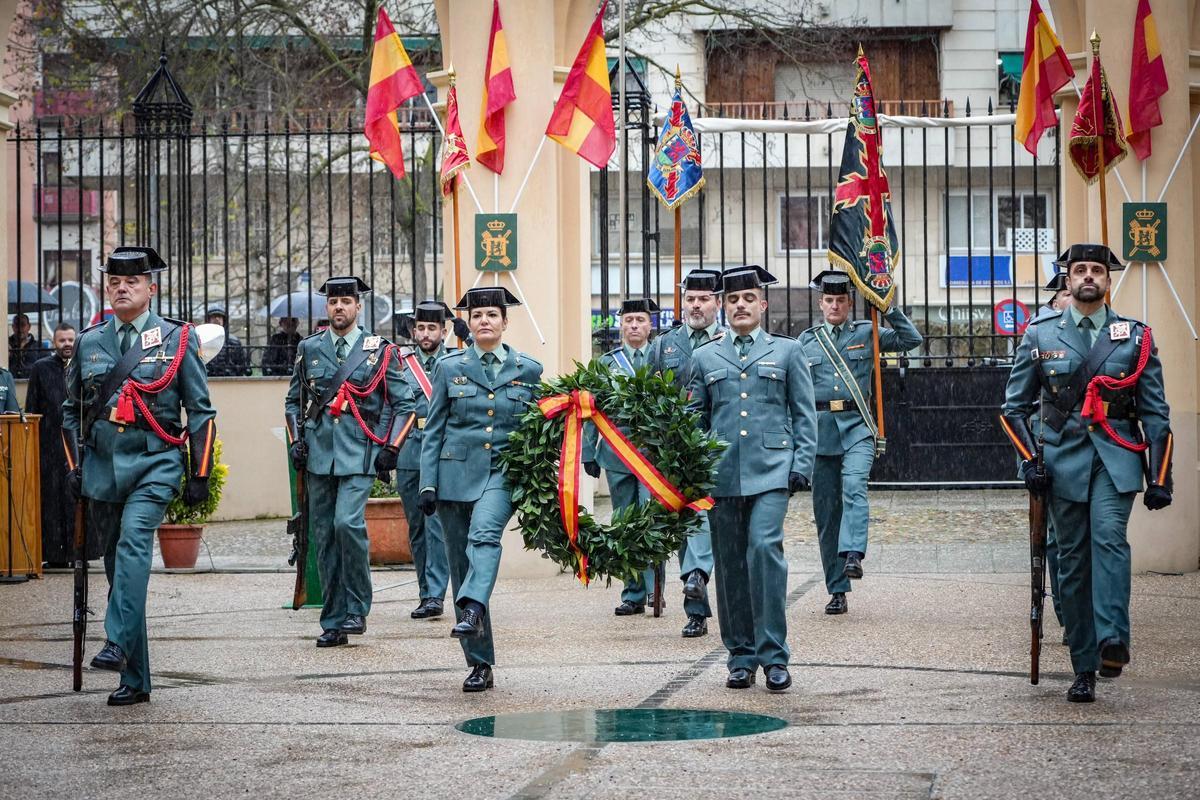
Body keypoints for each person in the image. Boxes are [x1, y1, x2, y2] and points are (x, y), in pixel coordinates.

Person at [1001, 243, 1173, 703]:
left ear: (1108, 280)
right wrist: (1030, 462)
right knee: (1072, 562)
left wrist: (1160, 477)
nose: (1089, 277)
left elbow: (1155, 414)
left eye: (1097, 270)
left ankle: (1112, 640)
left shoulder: (1134, 336)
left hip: (1116, 458)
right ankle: (1084, 664)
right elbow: (1013, 409)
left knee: (1110, 539)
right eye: (1080, 270)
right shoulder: (1040, 334)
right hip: (1060, 462)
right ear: (1068, 279)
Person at [62, 246, 217, 706]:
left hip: (155, 462)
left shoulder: (177, 339)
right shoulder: (90, 342)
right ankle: (135, 679)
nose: (122, 288)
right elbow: (72, 412)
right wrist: (75, 467)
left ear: (152, 288)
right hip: (105, 468)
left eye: (132, 282)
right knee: (117, 567)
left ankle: (114, 639)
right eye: (114, 282)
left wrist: (200, 472)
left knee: (133, 545)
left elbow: (201, 412)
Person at [688, 265, 817, 691]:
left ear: (763, 305)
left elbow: (803, 412)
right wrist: (693, 465)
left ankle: (774, 655)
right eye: (732, 300)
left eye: (748, 299)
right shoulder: (704, 356)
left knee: (764, 551)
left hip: (772, 471)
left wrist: (803, 463)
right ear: (724, 308)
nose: (740, 305)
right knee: (728, 565)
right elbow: (695, 418)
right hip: (721, 474)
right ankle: (740, 655)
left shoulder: (788, 351)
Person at [418, 286, 542, 693]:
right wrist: (428, 483)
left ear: (505, 322)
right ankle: (479, 662)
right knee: (460, 566)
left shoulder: (529, 370)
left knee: (484, 534)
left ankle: (470, 607)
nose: (484, 320)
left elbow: (541, 428)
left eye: (492, 314)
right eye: (477, 316)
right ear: (467, 325)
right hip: (454, 477)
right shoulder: (449, 367)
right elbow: (433, 429)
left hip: (503, 473)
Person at [285, 277, 416, 648]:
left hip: (360, 453)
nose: (338, 308)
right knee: (323, 537)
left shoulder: (379, 350)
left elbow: (405, 404)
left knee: (347, 524)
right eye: (333, 302)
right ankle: (333, 621)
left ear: (358, 307)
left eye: (345, 302)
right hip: (318, 456)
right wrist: (297, 442)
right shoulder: (309, 348)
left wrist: (391, 448)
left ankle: (357, 607)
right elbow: (293, 402)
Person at [798, 271, 922, 615]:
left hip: (857, 428)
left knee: (854, 486)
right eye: (829, 300)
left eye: (841, 300)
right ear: (821, 304)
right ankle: (837, 589)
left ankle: (853, 552)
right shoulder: (806, 342)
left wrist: (886, 306)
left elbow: (911, 339)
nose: (835, 305)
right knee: (826, 514)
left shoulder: (867, 332)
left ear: (850, 303)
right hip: (820, 433)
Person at [645, 270, 727, 637]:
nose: (696, 305)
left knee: (711, 522)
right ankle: (696, 602)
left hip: (718, 448)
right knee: (689, 520)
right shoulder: (665, 346)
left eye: (704, 299)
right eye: (690, 298)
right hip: (674, 452)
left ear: (718, 303)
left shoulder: (729, 342)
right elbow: (645, 397)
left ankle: (704, 582)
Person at [584, 298, 672, 622]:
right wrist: (588, 452)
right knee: (623, 522)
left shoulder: (662, 358)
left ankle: (654, 588)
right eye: (629, 320)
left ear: (651, 325)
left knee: (650, 519)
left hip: (651, 453)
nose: (634, 325)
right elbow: (592, 409)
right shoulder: (607, 363)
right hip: (617, 452)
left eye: (640, 320)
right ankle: (632, 594)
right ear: (621, 325)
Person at [396, 301, 455, 620]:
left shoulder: (456, 361)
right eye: (420, 327)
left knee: (437, 527)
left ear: (443, 331)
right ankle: (425, 592)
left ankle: (435, 595)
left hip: (443, 454)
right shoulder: (400, 365)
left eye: (432, 328)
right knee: (417, 528)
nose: (425, 333)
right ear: (413, 331)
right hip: (408, 452)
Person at [27, 323, 99, 567]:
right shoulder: (41, 368)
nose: (67, 344)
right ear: (54, 342)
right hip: (49, 444)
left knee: (80, 497)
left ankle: (81, 555)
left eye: (70, 340)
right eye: (62, 341)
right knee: (53, 500)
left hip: (81, 442)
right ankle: (55, 555)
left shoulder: (87, 365)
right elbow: (32, 408)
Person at [203, 305, 250, 377]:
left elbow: (242, 364)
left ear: (224, 320)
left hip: (230, 381)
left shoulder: (233, 341)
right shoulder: (202, 340)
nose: (217, 319)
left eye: (219, 316)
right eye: (213, 316)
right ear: (208, 320)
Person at [9, 312, 44, 378]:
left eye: (22, 325)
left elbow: (45, 368)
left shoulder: (39, 347)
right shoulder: (6, 345)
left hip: (32, 384)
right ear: (13, 327)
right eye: (17, 325)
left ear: (29, 326)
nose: (19, 329)